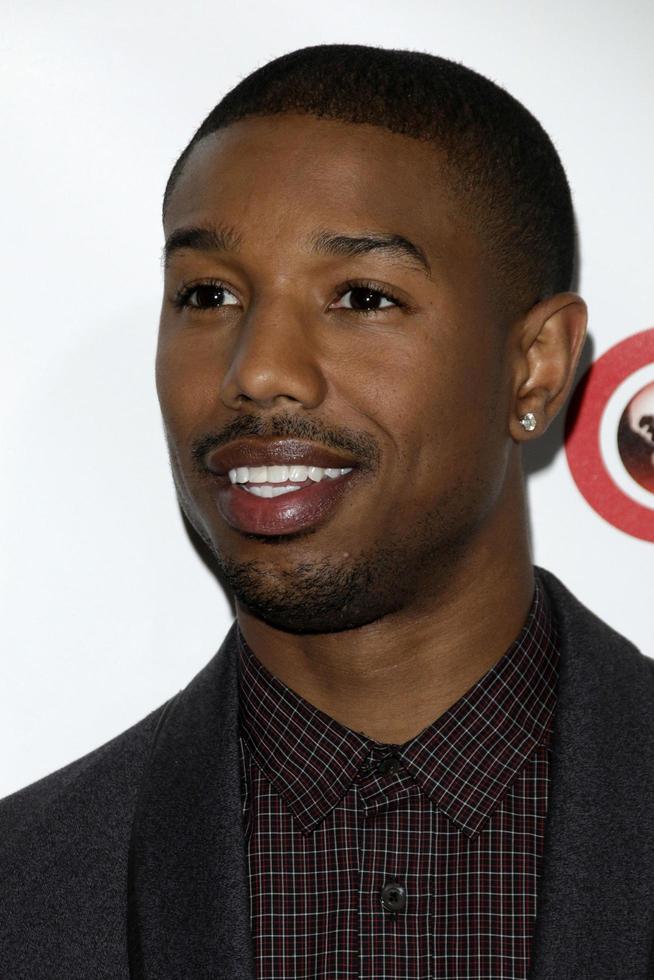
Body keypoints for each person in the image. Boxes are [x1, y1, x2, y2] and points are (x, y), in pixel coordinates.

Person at [1, 43, 653, 980]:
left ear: (536, 367)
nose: (258, 369)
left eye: (361, 297)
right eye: (208, 294)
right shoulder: (26, 889)